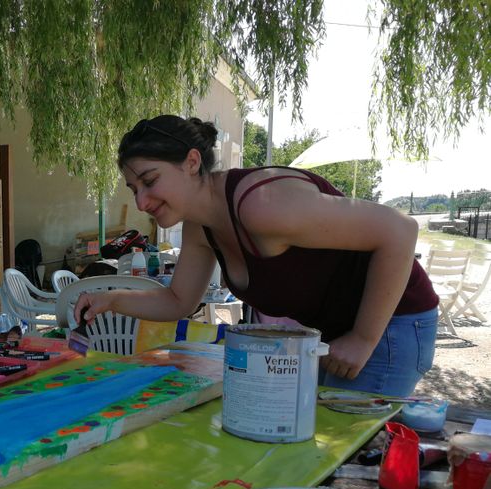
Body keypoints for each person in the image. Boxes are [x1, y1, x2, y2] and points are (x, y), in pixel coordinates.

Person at [74, 115, 440, 396]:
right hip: (335, 334)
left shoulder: (263, 205)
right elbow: (178, 300)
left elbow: (400, 231)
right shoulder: (200, 226)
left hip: (392, 321)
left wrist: (363, 338)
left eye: (150, 181)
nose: (140, 201)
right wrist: (110, 301)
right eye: (133, 188)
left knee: (352, 461)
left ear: (190, 162)